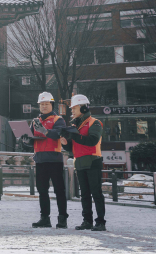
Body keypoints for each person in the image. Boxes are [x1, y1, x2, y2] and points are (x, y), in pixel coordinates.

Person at [61, 94, 106, 231]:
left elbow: (92, 141)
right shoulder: (75, 125)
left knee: (96, 193)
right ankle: (87, 221)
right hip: (79, 162)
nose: (72, 110)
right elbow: (72, 147)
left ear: (84, 108)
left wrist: (74, 135)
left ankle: (100, 222)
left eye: (75, 108)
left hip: (93, 161)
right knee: (84, 194)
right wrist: (64, 143)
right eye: (72, 108)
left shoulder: (95, 122)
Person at [29, 92, 69, 229]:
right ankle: (45, 218)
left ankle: (62, 218)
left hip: (54, 159)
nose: (44, 106)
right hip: (40, 159)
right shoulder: (35, 121)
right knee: (42, 190)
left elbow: (59, 133)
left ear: (52, 105)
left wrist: (45, 131)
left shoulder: (59, 119)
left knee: (59, 190)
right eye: (42, 104)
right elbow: (30, 140)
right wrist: (24, 140)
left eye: (47, 104)